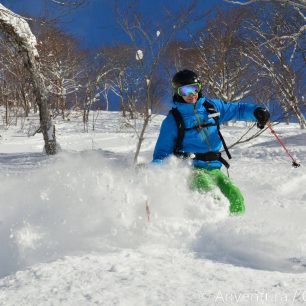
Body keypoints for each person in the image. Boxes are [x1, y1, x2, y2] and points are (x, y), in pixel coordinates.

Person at [152, 69, 270, 214]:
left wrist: (256, 112)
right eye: (185, 91)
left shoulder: (211, 107)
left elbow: (237, 110)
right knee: (213, 196)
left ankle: (235, 230)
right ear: (177, 92)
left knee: (236, 197)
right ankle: (211, 233)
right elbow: (162, 153)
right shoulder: (172, 120)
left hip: (214, 168)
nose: (191, 94)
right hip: (191, 170)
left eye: (194, 88)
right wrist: (152, 172)